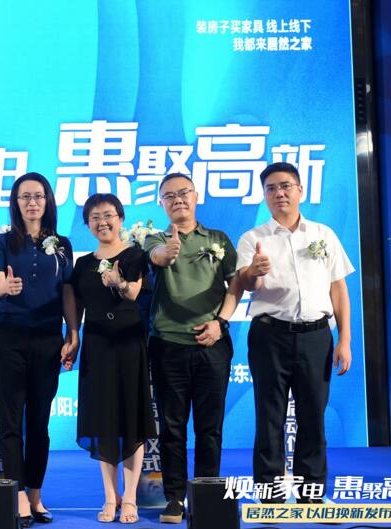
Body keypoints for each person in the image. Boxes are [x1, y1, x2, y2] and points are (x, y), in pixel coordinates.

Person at [236, 162, 352, 502]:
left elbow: (338, 290)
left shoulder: (323, 234)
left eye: (285, 186)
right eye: (271, 188)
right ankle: (270, 497)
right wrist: (254, 271)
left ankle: (311, 495)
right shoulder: (253, 239)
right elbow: (246, 284)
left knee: (313, 416)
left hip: (317, 336)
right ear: (264, 196)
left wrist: (344, 340)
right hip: (269, 336)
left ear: (300, 190)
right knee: (269, 416)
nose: (279, 193)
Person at [143, 173, 242, 524]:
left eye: (184, 192)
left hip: (213, 344)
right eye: (169, 196)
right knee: (172, 428)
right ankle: (174, 498)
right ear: (161, 203)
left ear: (196, 196)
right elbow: (156, 256)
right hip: (167, 346)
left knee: (210, 427)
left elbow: (236, 286)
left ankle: (206, 494)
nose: (178, 199)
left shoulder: (218, 239)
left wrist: (220, 323)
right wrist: (165, 253)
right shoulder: (154, 238)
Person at [0, 172, 79, 527]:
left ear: (48, 201)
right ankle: (19, 496)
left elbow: (67, 291)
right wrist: (5, 287)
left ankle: (36, 494)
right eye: (24, 197)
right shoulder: (1, 243)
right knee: (12, 421)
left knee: (40, 423)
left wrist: (73, 332)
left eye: (38, 196)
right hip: (10, 338)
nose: (32, 203)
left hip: (48, 340)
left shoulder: (62, 244)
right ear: (16, 202)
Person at [70, 193, 155, 524]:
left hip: (129, 343)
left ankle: (130, 498)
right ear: (87, 224)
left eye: (108, 215)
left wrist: (118, 282)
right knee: (103, 421)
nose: (102, 222)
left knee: (131, 421)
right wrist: (72, 338)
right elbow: (75, 306)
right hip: (96, 346)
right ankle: (110, 495)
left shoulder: (135, 255)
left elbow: (133, 293)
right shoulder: (82, 264)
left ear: (120, 219)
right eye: (94, 217)